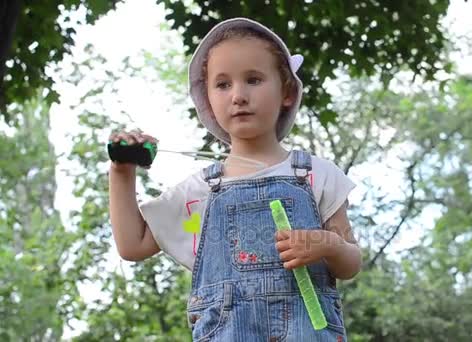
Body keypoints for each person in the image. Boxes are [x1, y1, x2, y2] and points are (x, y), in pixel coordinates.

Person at [108, 17, 361, 341]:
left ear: (286, 90)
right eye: (223, 84)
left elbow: (351, 262)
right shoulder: (200, 192)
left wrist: (329, 245)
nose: (238, 95)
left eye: (253, 79)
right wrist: (121, 172)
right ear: (209, 102)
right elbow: (133, 245)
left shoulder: (316, 175)